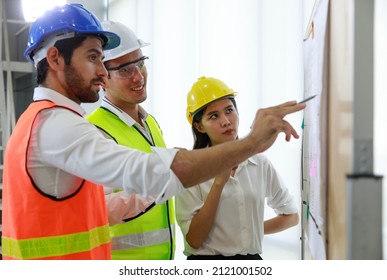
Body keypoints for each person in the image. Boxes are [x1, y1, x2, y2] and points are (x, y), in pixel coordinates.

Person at [1, 4, 305, 260]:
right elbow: (152, 173)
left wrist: (155, 189)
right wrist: (251, 143)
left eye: (139, 63)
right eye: (93, 57)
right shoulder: (56, 125)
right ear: (55, 59)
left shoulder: (47, 120)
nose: (102, 71)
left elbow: (101, 203)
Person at [175, 76, 299, 260]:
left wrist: (249, 232)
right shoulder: (190, 168)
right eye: (214, 116)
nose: (226, 121)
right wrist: (219, 183)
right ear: (200, 127)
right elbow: (194, 240)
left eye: (229, 110)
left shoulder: (260, 163)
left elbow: (291, 216)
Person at [86, 21, 176, 260]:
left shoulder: (151, 122)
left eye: (140, 63)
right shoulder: (95, 130)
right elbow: (97, 209)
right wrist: (164, 180)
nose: (139, 77)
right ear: (102, 79)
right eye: (125, 70)